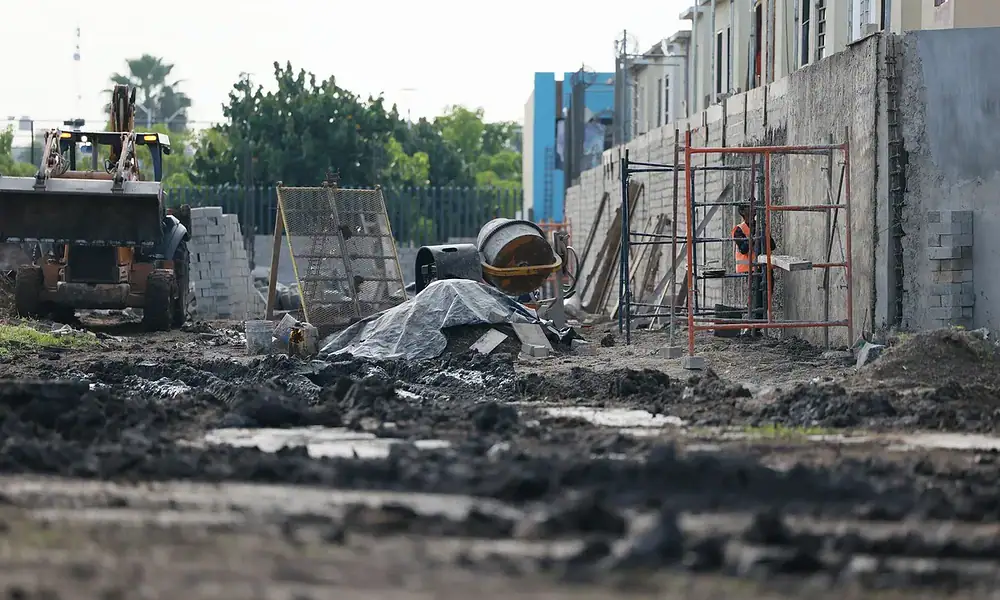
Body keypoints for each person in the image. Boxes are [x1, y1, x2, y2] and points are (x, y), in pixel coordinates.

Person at [732, 203, 776, 327]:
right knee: (755, 299)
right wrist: (756, 237)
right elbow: (744, 248)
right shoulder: (739, 230)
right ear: (743, 212)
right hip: (751, 270)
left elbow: (772, 245)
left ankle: (758, 326)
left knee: (766, 296)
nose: (753, 209)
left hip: (765, 268)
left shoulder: (761, 226)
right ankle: (753, 327)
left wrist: (764, 234)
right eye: (749, 207)